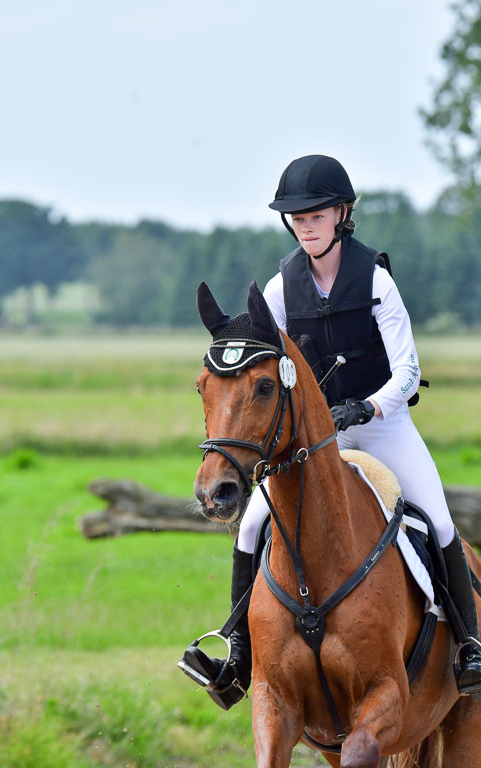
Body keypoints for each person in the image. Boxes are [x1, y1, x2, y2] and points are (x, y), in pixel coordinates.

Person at [180, 154, 481, 709]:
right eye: (296, 217)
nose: (305, 225)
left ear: (342, 214)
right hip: (319, 437)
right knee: (250, 528)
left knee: (436, 517)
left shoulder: (376, 280)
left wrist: (366, 409)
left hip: (383, 426)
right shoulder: (281, 286)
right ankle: (238, 654)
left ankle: (468, 645)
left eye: (316, 214)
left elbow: (408, 371)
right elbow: (253, 347)